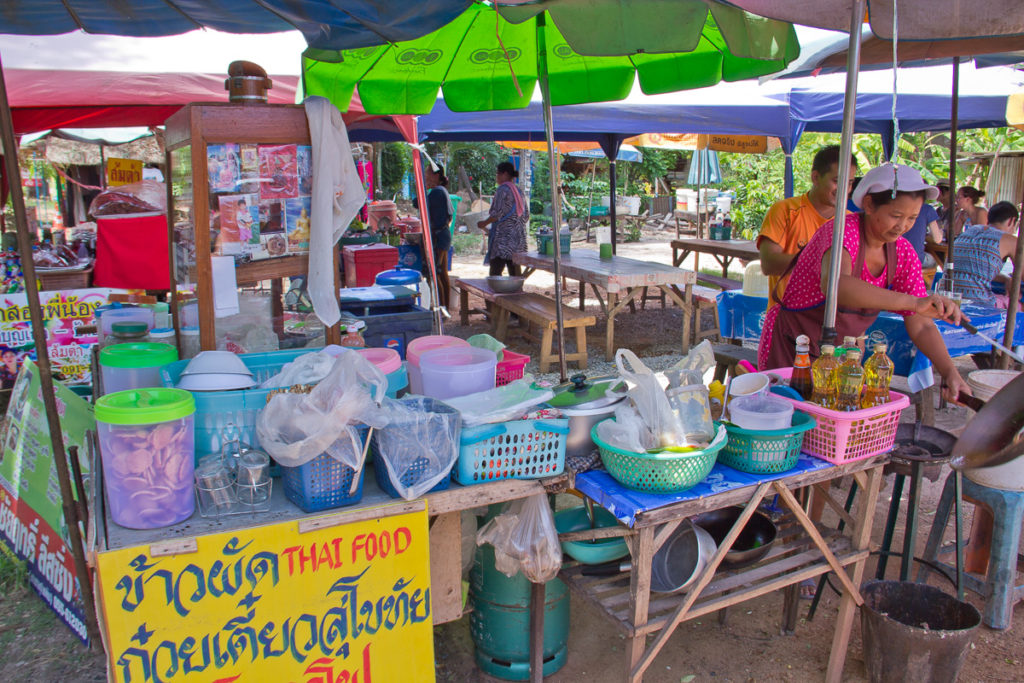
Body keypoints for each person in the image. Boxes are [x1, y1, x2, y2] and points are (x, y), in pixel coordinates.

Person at [758, 163, 971, 403]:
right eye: (896, 216)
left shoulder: (904, 253)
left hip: (838, 356)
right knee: (787, 421)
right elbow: (837, 286)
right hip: (793, 347)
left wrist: (950, 372)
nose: (903, 226)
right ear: (869, 204)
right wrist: (914, 301)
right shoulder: (840, 232)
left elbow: (921, 325)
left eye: (912, 218)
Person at [758, 145, 857, 306]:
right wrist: (822, 262)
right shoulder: (785, 211)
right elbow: (769, 264)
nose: (844, 189)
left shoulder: (851, 222)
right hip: (787, 317)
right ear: (816, 177)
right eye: (837, 181)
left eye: (850, 183)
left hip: (830, 318)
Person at [951, 201, 1020, 308]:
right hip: (978, 304)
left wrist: (1006, 279)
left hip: (949, 298)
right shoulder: (1010, 240)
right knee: (1019, 304)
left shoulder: (971, 231)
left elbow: (975, 270)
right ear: (1011, 221)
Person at [478, 161, 527, 276]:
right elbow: (526, 216)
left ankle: (497, 293)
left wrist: (483, 223)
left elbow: (496, 214)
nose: (497, 177)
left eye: (498, 174)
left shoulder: (502, 190)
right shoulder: (519, 191)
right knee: (515, 275)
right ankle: (516, 293)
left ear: (504, 174)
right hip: (517, 241)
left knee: (495, 273)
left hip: (502, 242)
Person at [422, 164, 454, 309]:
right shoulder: (443, 191)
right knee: (442, 272)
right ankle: (445, 306)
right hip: (444, 234)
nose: (426, 174)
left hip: (439, 236)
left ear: (435, 175)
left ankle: (441, 307)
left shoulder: (436, 192)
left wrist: (423, 187)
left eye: (428, 172)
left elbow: (419, 203)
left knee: (436, 273)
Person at [902, 192, 944, 289]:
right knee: (934, 260)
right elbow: (937, 239)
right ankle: (926, 288)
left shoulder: (899, 206)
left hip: (896, 256)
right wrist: (940, 232)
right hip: (915, 258)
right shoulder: (927, 209)